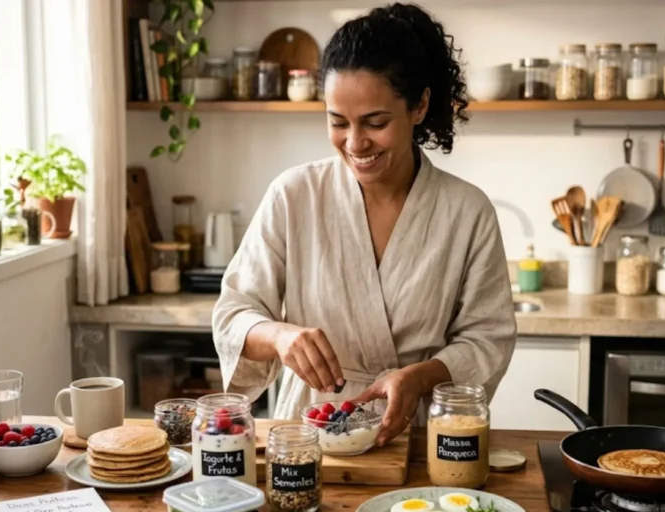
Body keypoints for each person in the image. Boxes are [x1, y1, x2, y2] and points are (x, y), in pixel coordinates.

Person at [212, 3, 516, 446]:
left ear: (419, 106)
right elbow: (233, 314)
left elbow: (487, 338)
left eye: (376, 122)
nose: (355, 143)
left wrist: (418, 377)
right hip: (309, 432)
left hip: (415, 435)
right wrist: (280, 337)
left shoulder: (466, 211)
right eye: (338, 122)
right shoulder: (294, 195)